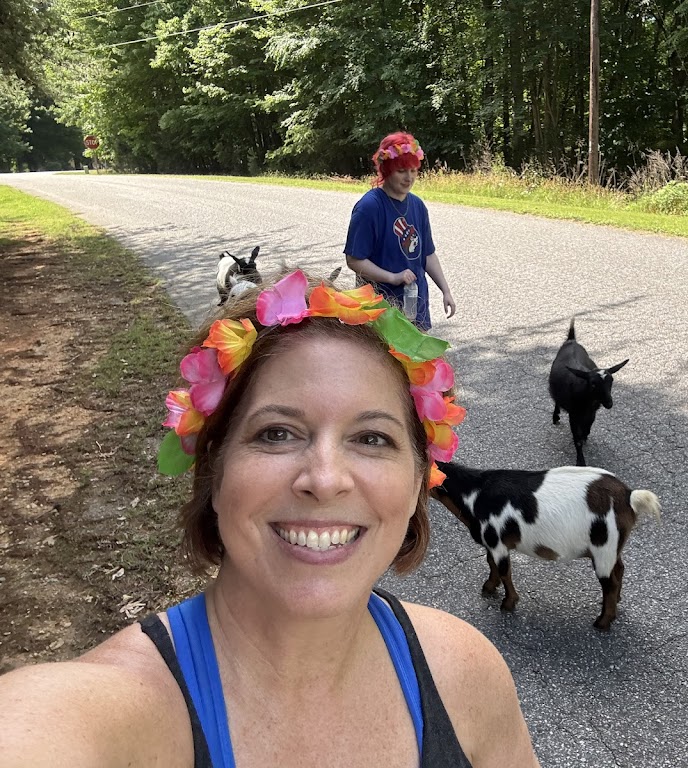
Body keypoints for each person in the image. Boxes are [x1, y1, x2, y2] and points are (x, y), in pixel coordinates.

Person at [0, 269, 538, 768]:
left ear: (420, 479)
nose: (325, 479)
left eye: (372, 438)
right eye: (276, 433)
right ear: (214, 472)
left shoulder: (466, 677)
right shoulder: (91, 717)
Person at [344, 131, 455, 330]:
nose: (409, 178)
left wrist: (445, 290)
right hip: (379, 310)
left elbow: (427, 254)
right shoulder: (369, 207)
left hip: (415, 306)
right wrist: (392, 277)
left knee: (418, 350)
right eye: (401, 171)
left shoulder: (418, 206)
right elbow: (354, 260)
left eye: (413, 170)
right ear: (386, 170)